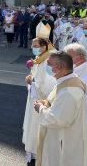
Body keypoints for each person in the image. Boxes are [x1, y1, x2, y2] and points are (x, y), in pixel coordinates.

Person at [33, 51, 87, 166]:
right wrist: (46, 103)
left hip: (63, 144)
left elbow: (57, 119)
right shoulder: (65, 81)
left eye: (48, 64)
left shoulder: (69, 91)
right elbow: (58, 104)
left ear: (58, 67)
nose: (46, 66)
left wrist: (41, 108)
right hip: (58, 138)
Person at [22, 23, 57, 165]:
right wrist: (31, 80)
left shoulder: (51, 60)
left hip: (41, 103)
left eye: (35, 46)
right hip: (33, 98)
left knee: (38, 130)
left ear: (44, 46)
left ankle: (38, 155)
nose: (33, 48)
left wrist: (33, 82)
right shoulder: (42, 56)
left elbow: (50, 87)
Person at [64, 43, 87, 166]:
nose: (65, 60)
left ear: (81, 58)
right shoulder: (72, 71)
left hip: (83, 123)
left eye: (68, 57)